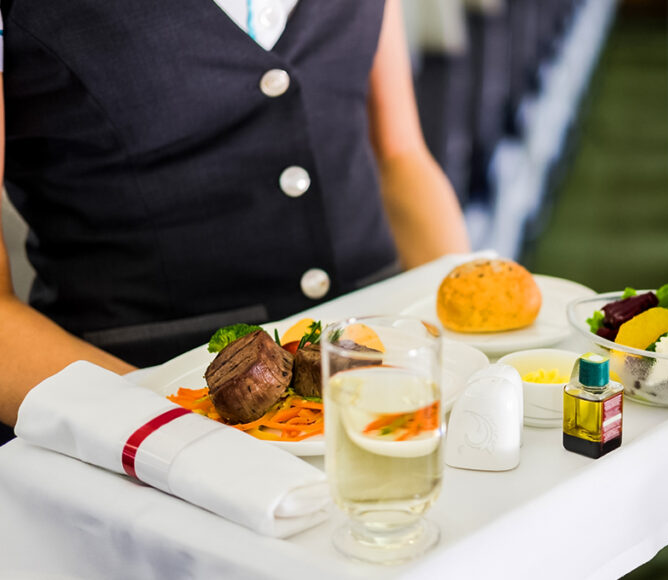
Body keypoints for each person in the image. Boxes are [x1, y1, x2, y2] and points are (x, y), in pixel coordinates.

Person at [0, 0, 470, 437]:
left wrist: (472, 356)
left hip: (388, 377)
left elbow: (401, 158)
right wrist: (180, 439)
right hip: (141, 421)